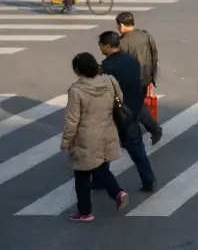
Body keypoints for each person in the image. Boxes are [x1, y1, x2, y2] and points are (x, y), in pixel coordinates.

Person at [62, 52, 129, 221]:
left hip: (85, 137)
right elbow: (119, 99)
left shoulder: (76, 90)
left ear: (78, 70)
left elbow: (72, 120)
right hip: (107, 130)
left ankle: (85, 211)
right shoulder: (109, 80)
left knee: (82, 174)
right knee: (99, 166)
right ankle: (117, 192)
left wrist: (66, 141)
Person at [98, 31, 155, 192]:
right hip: (132, 110)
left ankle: (100, 179)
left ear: (108, 46)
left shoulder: (107, 66)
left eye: (101, 45)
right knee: (137, 148)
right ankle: (148, 179)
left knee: (103, 147)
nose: (101, 48)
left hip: (115, 112)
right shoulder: (131, 60)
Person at [115, 12, 162, 145]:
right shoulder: (146, 35)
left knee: (135, 108)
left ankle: (154, 129)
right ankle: (134, 133)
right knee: (135, 107)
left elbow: (122, 64)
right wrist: (152, 76)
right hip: (146, 77)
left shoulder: (123, 42)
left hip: (131, 81)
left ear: (122, 25)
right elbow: (155, 55)